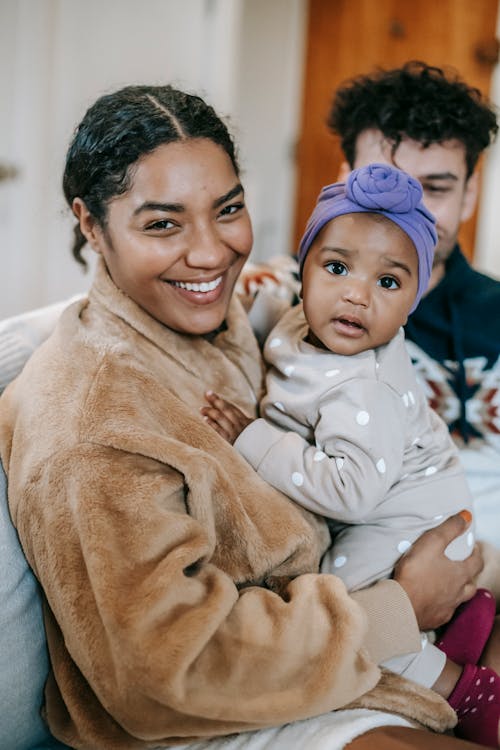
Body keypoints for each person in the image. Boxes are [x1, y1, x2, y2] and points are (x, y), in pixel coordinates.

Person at [0, 84, 488, 750]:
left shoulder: (230, 317)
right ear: (90, 225)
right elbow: (164, 671)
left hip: (349, 633)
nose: (210, 254)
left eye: (227, 210)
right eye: (163, 223)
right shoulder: (90, 423)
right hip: (225, 713)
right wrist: (397, 610)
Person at [202, 162, 500, 746]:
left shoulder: (364, 389)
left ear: (413, 300)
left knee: (351, 613)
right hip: (405, 501)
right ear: (303, 270)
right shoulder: (300, 322)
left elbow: (352, 493)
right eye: (336, 267)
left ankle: (460, 689)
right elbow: (275, 331)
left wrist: (253, 439)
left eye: (388, 283)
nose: (356, 295)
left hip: (403, 514)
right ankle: (465, 624)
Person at [327, 61, 500, 547]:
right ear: (344, 182)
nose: (411, 210)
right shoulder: (291, 311)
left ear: (470, 196)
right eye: (385, 181)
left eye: (437, 188)